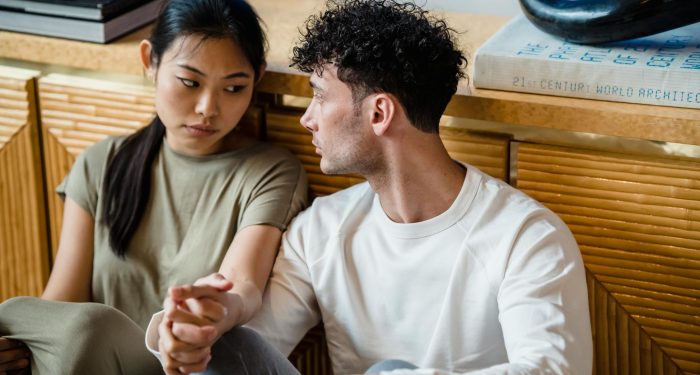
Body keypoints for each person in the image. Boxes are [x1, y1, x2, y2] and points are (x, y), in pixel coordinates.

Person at [147, 0, 593, 373]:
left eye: (320, 95)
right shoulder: (319, 231)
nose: (308, 118)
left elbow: (553, 369)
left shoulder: (526, 237)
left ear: (379, 114)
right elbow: (254, 346)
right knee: (227, 347)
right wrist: (203, 327)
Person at [0, 0, 307, 373]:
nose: (208, 108)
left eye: (234, 88)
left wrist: (205, 319)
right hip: (91, 363)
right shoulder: (101, 164)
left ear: (256, 78)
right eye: (190, 82)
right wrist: (18, 348)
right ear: (150, 61)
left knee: (92, 326)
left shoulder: (268, 172)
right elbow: (59, 307)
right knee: (32, 321)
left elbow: (242, 287)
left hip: (185, 367)